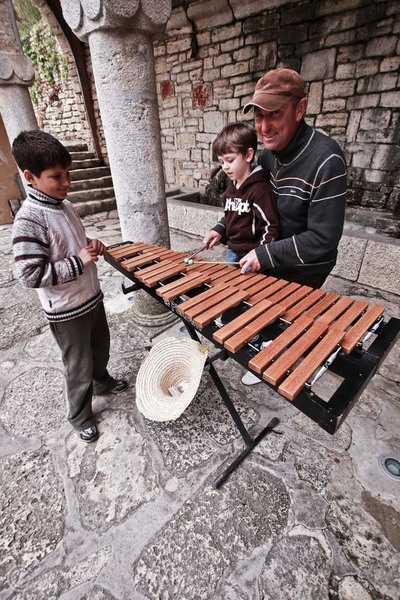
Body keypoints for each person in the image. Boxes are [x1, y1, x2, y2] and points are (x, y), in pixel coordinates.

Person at [11, 130, 128, 442]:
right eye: (56, 176)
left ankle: (102, 382)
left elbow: (72, 242)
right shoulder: (29, 220)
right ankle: (80, 415)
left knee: (99, 348)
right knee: (78, 365)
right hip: (66, 310)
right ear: (30, 177)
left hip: (90, 297)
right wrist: (78, 261)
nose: (66, 182)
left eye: (68, 173)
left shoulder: (65, 206)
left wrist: (91, 244)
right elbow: (30, 274)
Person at [239, 68, 347, 384]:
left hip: (308, 264)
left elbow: (323, 238)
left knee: (281, 311)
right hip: (276, 248)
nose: (264, 127)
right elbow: (253, 199)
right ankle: (266, 333)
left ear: (299, 109)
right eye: (258, 116)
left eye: (274, 114)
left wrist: (266, 255)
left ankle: (276, 350)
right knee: (253, 298)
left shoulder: (327, 160)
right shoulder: (268, 155)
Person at [202, 122, 280, 264]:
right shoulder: (231, 187)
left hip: (253, 255)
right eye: (221, 162)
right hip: (233, 252)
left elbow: (271, 227)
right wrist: (218, 230)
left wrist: (260, 254)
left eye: (230, 160)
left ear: (248, 155)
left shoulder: (260, 190)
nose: (225, 167)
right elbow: (230, 217)